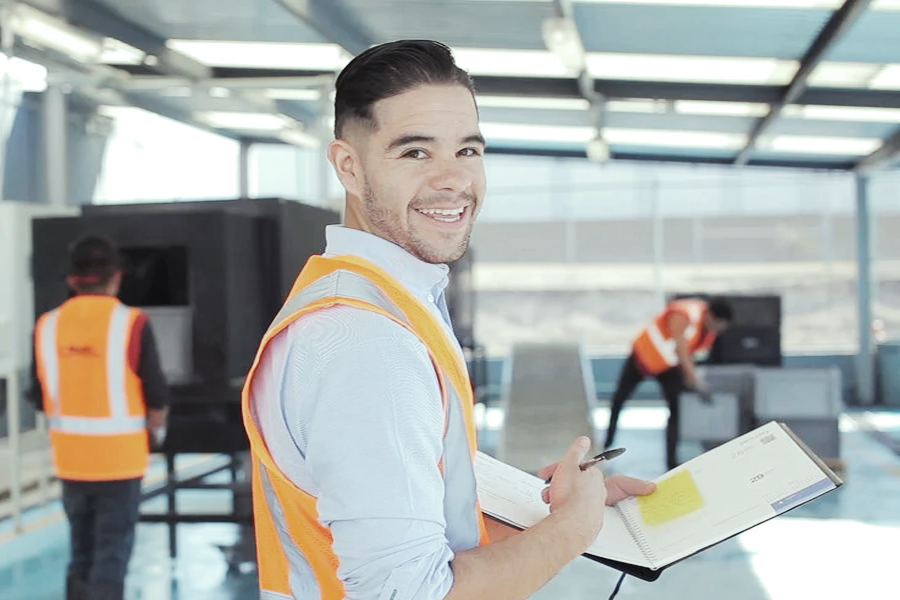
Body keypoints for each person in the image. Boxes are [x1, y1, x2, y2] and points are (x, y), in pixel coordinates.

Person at [241, 39, 656, 600]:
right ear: (349, 166)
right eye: (415, 153)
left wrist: (538, 507)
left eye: (467, 151)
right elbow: (410, 594)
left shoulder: (387, 301)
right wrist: (573, 528)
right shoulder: (365, 342)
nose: (453, 180)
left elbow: (409, 514)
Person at [29, 234, 171, 600]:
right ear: (116, 277)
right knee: (110, 557)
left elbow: (37, 394)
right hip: (119, 464)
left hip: (70, 462)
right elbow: (155, 390)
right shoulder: (132, 323)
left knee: (81, 553)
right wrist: (158, 424)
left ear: (72, 279)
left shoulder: (47, 325)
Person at [603, 296, 734, 470]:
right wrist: (694, 379)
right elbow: (680, 347)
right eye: (719, 325)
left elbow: (691, 353)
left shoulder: (708, 331)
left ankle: (671, 463)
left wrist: (689, 377)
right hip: (644, 356)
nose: (718, 330)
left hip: (668, 366)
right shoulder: (686, 313)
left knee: (675, 410)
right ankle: (606, 444)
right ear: (712, 316)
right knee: (619, 398)